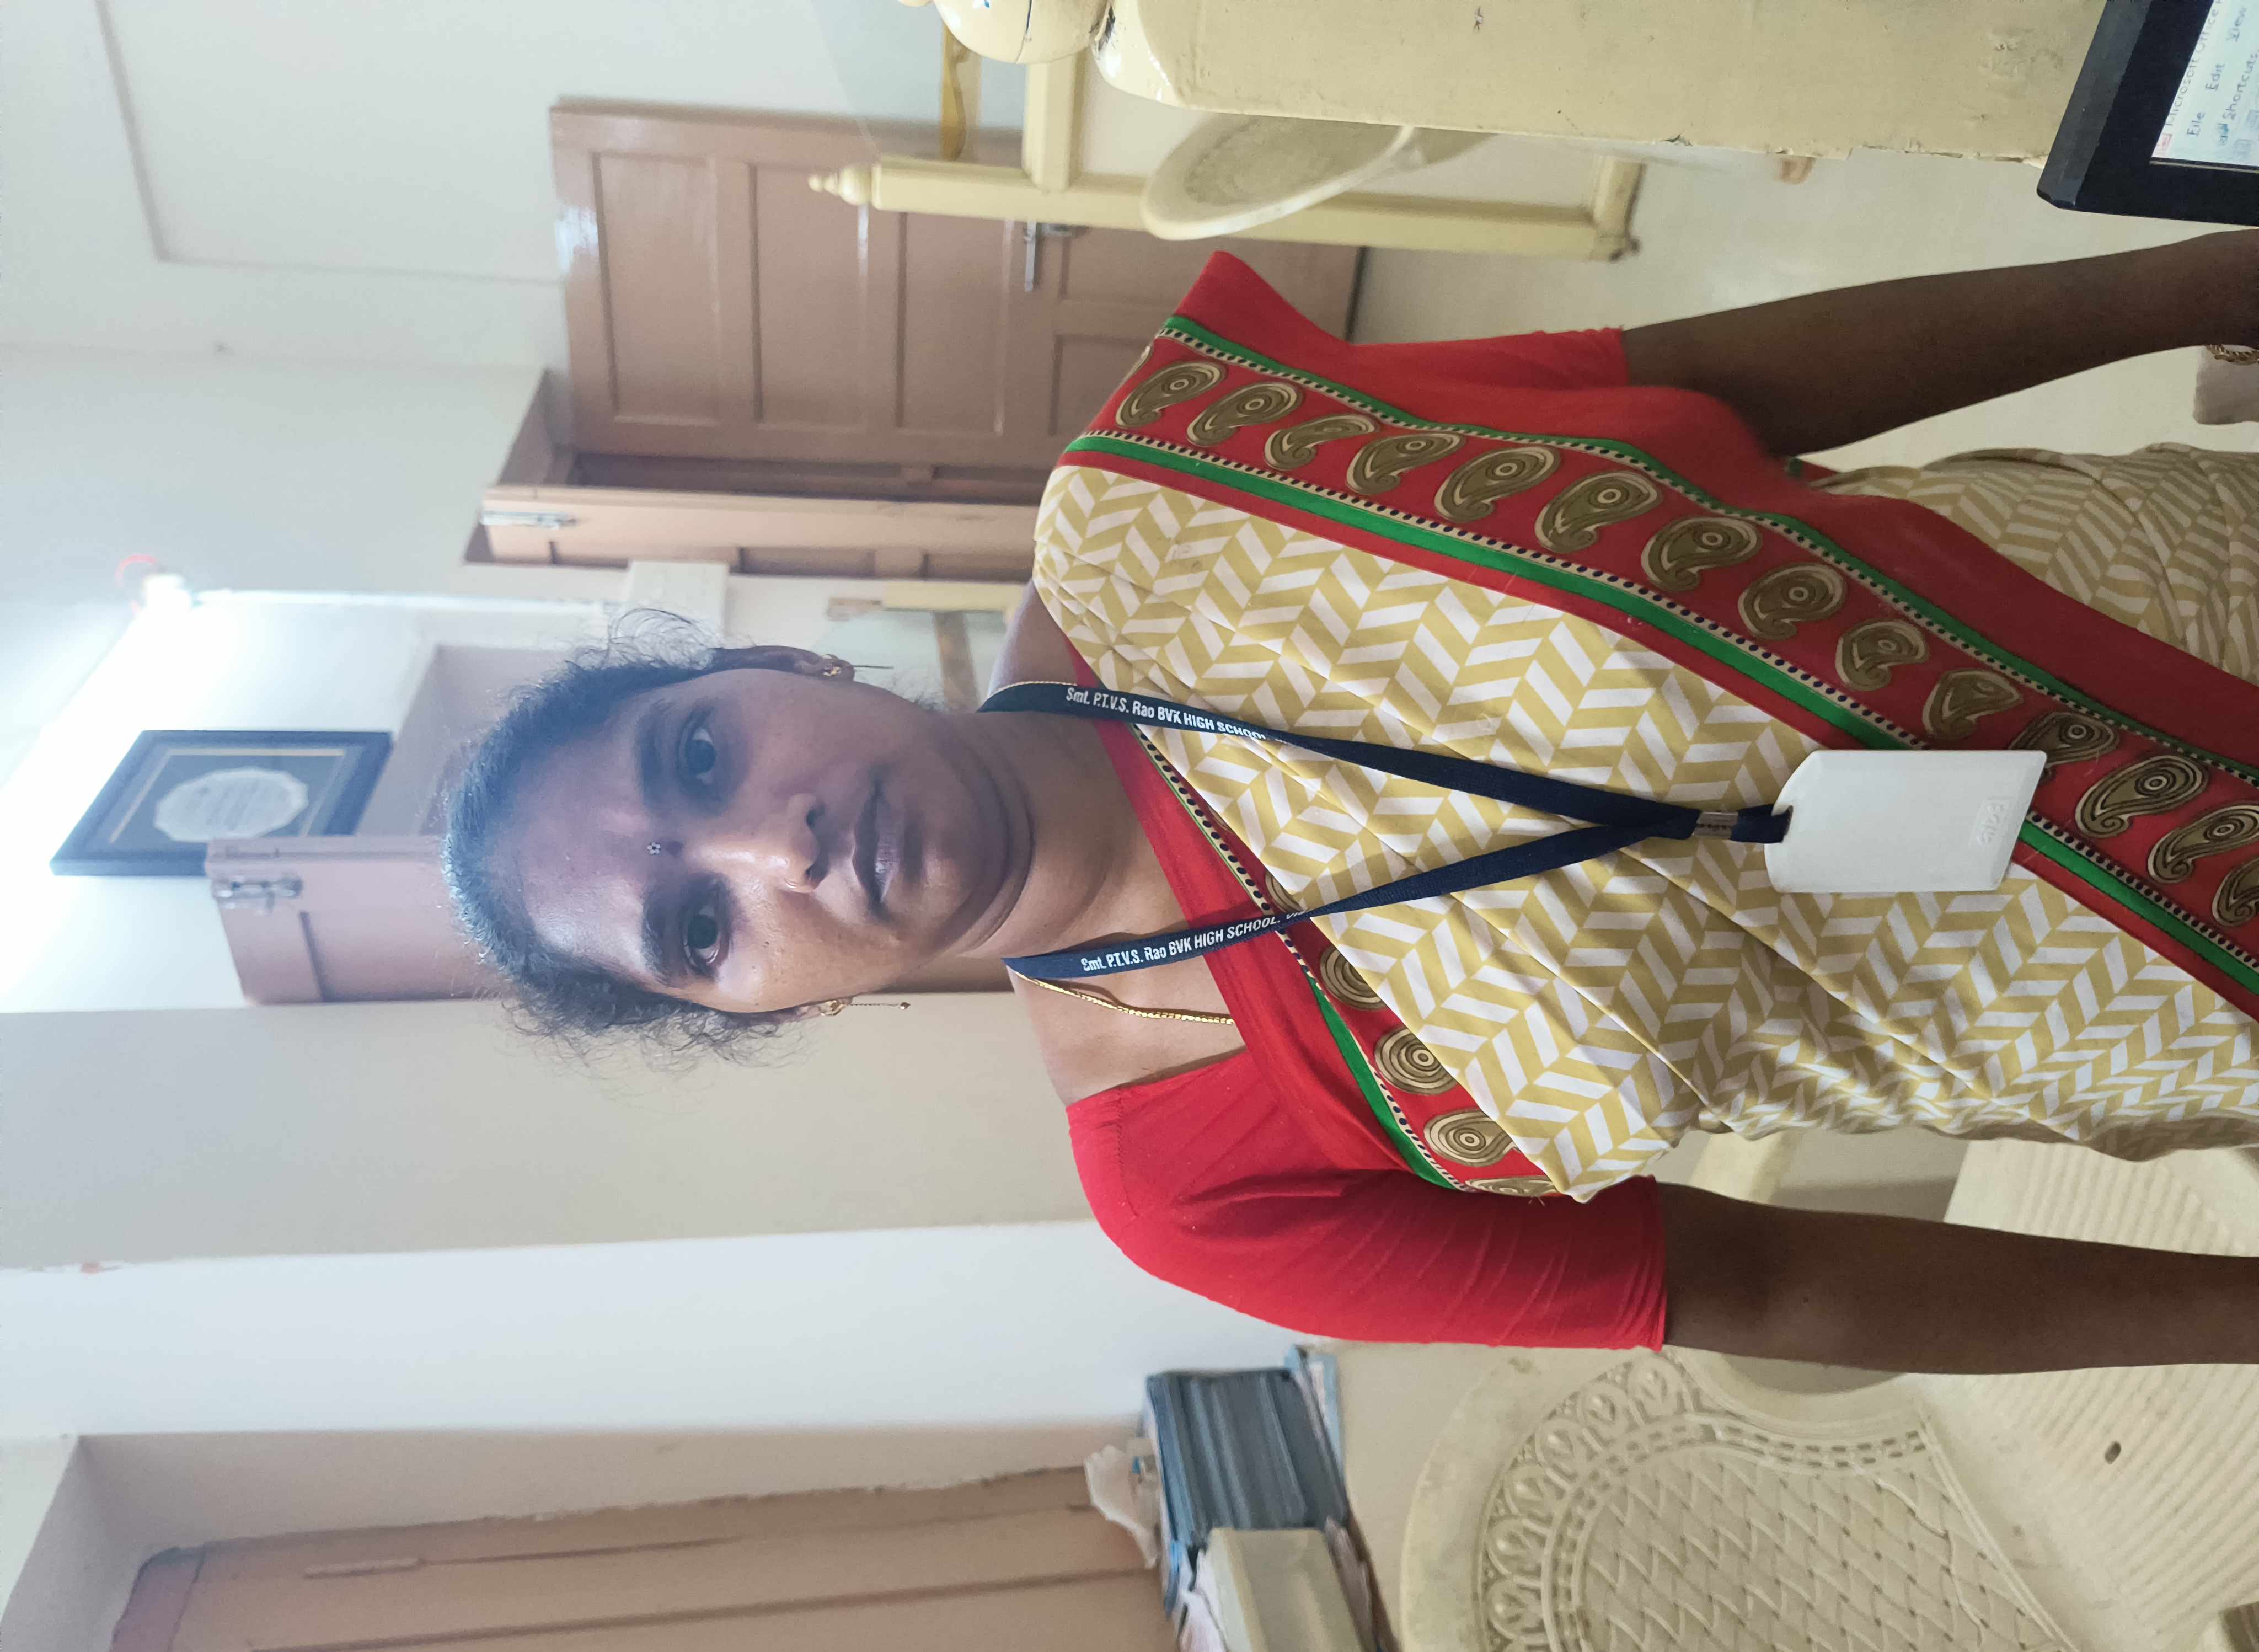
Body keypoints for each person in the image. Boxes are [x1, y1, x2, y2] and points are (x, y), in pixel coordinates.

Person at [446, 237, 2259, 1375]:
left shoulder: (1170, 501)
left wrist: (2198, 282)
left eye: (698, 760)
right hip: (2191, 988)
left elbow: (1713, 378)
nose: (775, 847)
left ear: (783, 668)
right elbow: (1757, 1285)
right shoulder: (1196, 1185)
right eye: (701, 925)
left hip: (2178, 581)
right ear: (777, 1008)